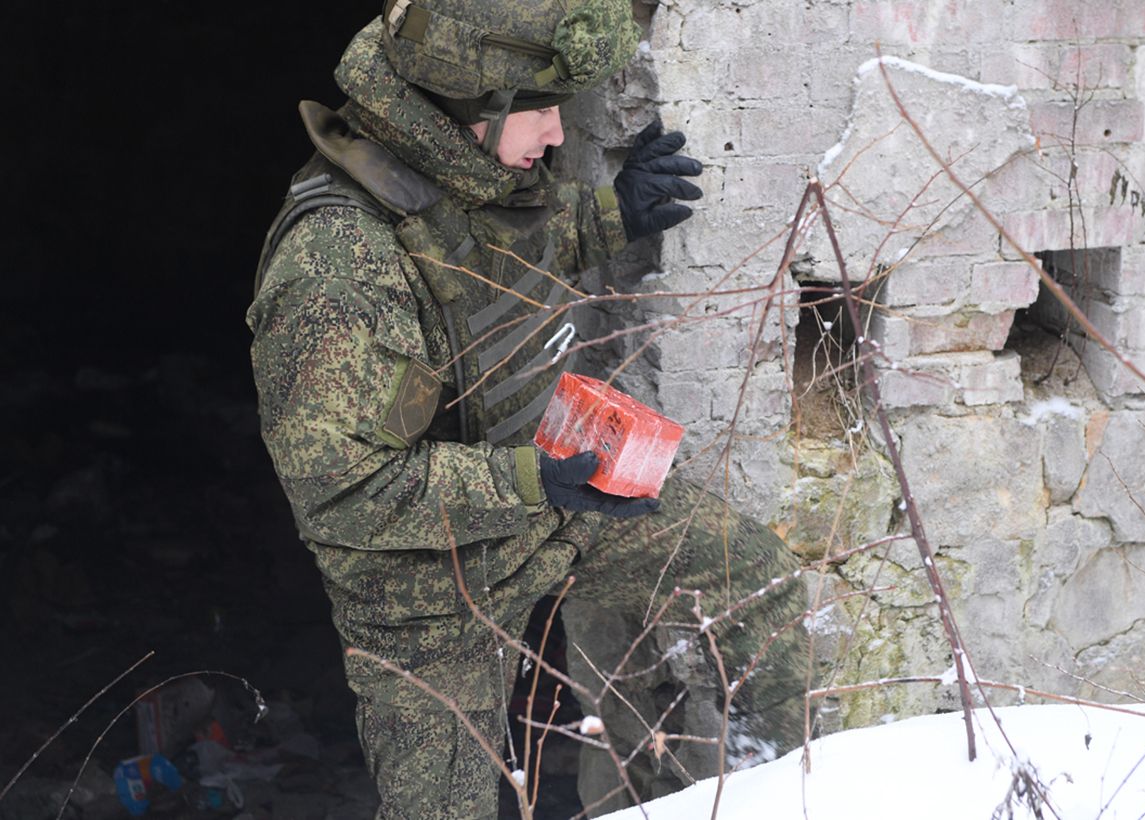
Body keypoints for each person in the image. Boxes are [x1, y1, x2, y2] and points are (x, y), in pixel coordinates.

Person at [247, 1, 813, 816]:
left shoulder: (458, 167)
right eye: (538, 112)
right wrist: (528, 480)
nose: (555, 135)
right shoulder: (336, 268)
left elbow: (484, 262)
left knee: (751, 581)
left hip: (542, 491)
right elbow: (343, 494)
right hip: (426, 587)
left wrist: (608, 217)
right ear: (458, 111)